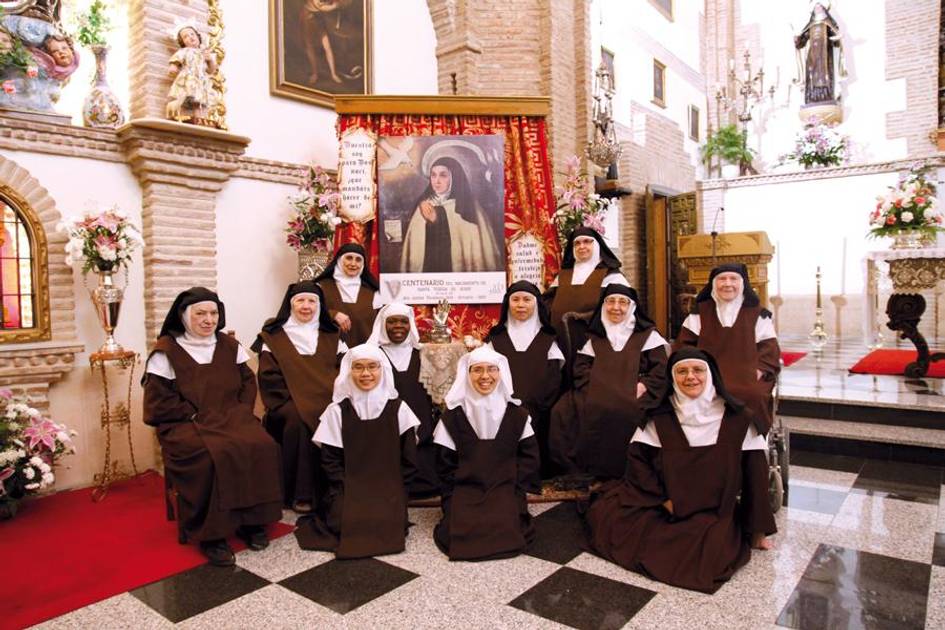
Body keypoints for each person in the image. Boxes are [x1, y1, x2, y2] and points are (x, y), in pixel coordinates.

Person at [584, 348, 760, 593]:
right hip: (667, 505)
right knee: (619, 527)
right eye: (682, 371)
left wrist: (758, 530)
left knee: (711, 555)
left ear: (711, 375)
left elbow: (756, 478)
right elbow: (639, 465)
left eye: (698, 370)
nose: (690, 377)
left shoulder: (738, 419)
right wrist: (663, 500)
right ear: (672, 378)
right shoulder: (658, 417)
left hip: (716, 509)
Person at [143, 287, 282, 567]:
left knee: (262, 445)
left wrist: (240, 412)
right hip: (184, 424)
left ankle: (252, 522)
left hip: (230, 418)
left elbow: (247, 383)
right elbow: (158, 403)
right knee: (208, 456)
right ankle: (211, 534)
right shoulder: (166, 352)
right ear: (183, 317)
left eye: (213, 313)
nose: (208, 320)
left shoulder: (230, 346)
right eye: (200, 314)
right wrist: (193, 415)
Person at [674, 263, 780, 549]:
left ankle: (757, 529)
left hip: (746, 383)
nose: (728, 284)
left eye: (734, 279)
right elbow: (684, 349)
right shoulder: (699, 314)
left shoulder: (758, 315)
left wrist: (753, 374)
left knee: (751, 404)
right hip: (705, 382)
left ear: (743, 284)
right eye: (722, 279)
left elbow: (769, 354)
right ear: (712, 285)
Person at [295, 344, 420, 558]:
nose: (366, 374)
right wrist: (350, 489)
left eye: (372, 367)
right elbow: (330, 461)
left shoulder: (399, 409)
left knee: (387, 522)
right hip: (348, 485)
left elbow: (408, 459)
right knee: (344, 523)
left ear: (383, 370)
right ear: (348, 372)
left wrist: (396, 489)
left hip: (387, 485)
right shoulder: (336, 412)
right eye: (358, 367)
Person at [432, 346, 541, 561]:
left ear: (501, 373)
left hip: (505, 486)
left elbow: (529, 458)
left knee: (504, 522)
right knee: (462, 524)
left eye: (492, 369)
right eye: (477, 370)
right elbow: (444, 463)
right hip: (465, 488)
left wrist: (513, 486)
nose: (485, 376)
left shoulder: (517, 415)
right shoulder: (453, 416)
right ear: (467, 374)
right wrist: (457, 491)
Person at [550, 285, 668, 480]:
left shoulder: (648, 336)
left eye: (622, 302)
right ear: (603, 306)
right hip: (598, 391)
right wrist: (595, 387)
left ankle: (634, 471)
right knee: (562, 411)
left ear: (632, 307)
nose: (616, 307)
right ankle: (580, 471)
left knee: (633, 410)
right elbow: (581, 368)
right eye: (611, 301)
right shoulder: (596, 336)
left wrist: (644, 385)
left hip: (635, 391)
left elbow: (661, 370)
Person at [253, 281, 346, 514]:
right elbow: (268, 376)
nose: (306, 306)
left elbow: (344, 370)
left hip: (329, 397)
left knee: (340, 415)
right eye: (300, 301)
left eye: (312, 301)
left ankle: (339, 485)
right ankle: (300, 493)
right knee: (298, 420)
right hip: (288, 400)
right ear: (290, 304)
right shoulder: (273, 336)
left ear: (320, 305)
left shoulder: (332, 334)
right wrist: (290, 400)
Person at [485, 280, 564, 479]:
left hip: (539, 408)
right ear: (507, 304)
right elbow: (486, 376)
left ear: (536, 304)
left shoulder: (548, 338)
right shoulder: (496, 338)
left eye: (527, 300)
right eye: (516, 299)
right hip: (501, 406)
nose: (521, 305)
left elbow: (554, 379)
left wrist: (538, 404)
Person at [367, 302, 439, 498]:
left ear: (410, 325)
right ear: (383, 325)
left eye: (403, 321)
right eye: (392, 321)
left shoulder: (424, 354)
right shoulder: (372, 357)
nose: (398, 326)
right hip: (385, 438)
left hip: (422, 439)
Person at [544, 227, 630, 375]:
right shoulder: (563, 276)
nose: (582, 246)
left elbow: (626, 308)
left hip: (596, 340)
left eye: (587, 242)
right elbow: (545, 304)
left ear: (596, 245)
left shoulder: (611, 276)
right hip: (561, 341)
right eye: (577, 243)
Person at [400, 156, 501, 273]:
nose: (436, 181)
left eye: (443, 175)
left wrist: (438, 217)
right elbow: (414, 249)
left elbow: (479, 251)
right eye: (433, 175)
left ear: (454, 177)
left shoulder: (469, 207)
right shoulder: (423, 206)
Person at [314, 242, 382, 347]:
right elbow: (306, 314)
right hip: (329, 352)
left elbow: (381, 324)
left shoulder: (373, 292)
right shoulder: (321, 287)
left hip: (363, 357)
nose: (353, 264)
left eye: (358, 260)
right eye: (349, 258)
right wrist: (332, 314)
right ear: (339, 260)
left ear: (363, 264)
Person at [794, 1, 845, 105]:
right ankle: (812, 99)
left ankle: (827, 97)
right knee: (811, 75)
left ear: (824, 9)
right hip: (812, 56)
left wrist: (838, 38)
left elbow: (835, 42)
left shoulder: (828, 24)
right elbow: (802, 43)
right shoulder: (810, 26)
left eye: (820, 6)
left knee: (826, 74)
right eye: (816, 7)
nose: (818, 8)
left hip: (825, 55)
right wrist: (797, 40)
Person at [166, 23, 218, 125]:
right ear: (183, 42)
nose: (190, 37)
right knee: (188, 98)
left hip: (201, 80)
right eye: (186, 37)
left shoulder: (204, 52)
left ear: (198, 36)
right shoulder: (185, 51)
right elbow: (176, 60)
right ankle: (181, 115)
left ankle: (200, 119)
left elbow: (211, 70)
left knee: (201, 101)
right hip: (189, 78)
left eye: (192, 34)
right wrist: (174, 67)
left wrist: (210, 60)